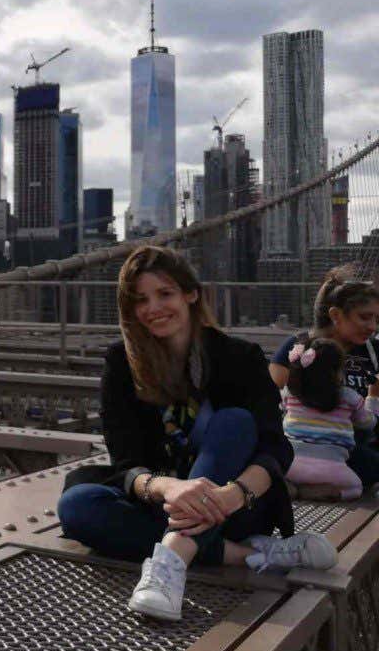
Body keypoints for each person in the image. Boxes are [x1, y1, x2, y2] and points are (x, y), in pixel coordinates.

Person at [58, 245, 336, 622]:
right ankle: (249, 554)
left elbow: (275, 448)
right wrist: (169, 488)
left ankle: (171, 558)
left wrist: (233, 494)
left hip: (234, 506)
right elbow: (127, 460)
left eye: (165, 294)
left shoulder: (240, 357)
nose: (153, 308)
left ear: (191, 294)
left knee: (234, 422)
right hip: (166, 502)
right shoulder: (122, 363)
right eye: (140, 300)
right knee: (77, 505)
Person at [268, 267, 379, 496]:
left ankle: (297, 484)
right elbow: (267, 401)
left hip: (351, 449)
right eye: (365, 317)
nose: (373, 327)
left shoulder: (375, 353)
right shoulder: (297, 347)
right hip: (299, 447)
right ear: (336, 315)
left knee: (370, 461)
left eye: (377, 319)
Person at [282, 338, 376, 500]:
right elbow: (368, 423)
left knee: (276, 470)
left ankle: (287, 485)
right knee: (356, 487)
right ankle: (331, 491)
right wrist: (373, 397)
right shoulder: (349, 397)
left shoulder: (290, 394)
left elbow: (283, 411)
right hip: (332, 470)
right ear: (337, 372)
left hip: (290, 466)